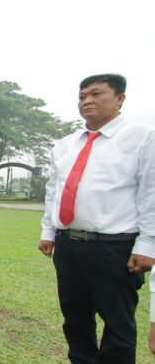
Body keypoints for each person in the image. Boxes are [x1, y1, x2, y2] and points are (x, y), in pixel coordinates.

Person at [37, 74, 155, 363]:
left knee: (117, 323)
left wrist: (148, 244)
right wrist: (48, 231)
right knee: (75, 319)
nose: (87, 101)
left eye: (96, 94)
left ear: (119, 98)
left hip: (114, 246)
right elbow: (55, 190)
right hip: (69, 245)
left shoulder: (142, 138)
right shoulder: (66, 144)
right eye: (82, 96)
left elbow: (151, 192)